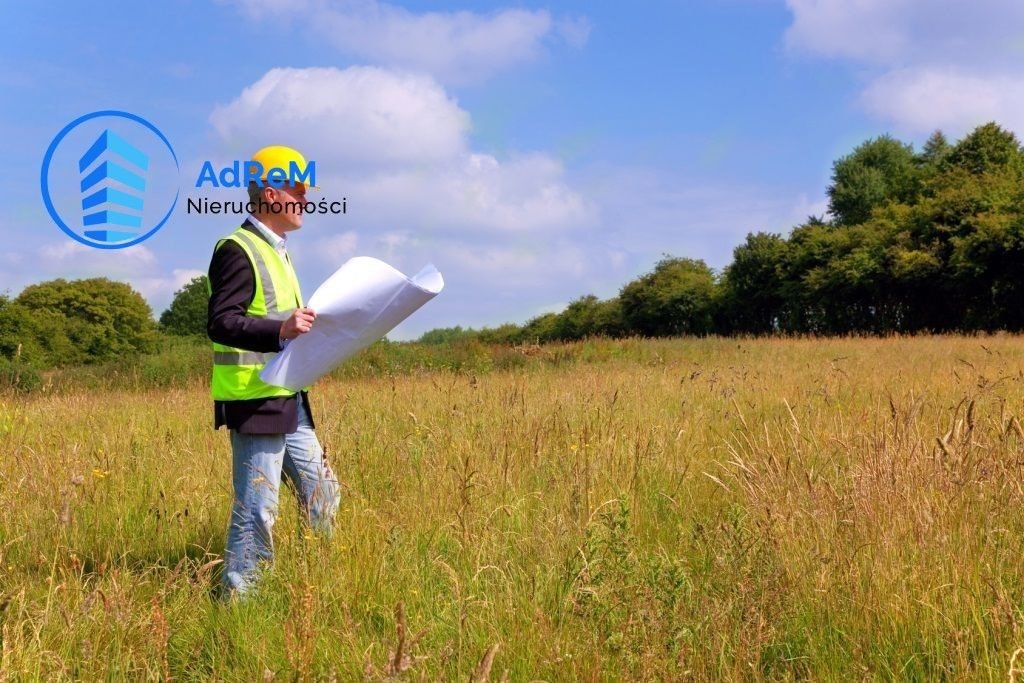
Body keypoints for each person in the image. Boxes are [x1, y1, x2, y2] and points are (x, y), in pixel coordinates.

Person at [206, 145, 340, 596]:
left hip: (289, 398)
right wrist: (279, 329)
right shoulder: (237, 248)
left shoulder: (278, 251)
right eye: (297, 188)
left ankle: (320, 585)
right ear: (268, 191)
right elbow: (222, 321)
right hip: (254, 398)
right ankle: (239, 604)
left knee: (323, 493)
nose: (305, 198)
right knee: (257, 509)